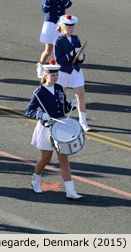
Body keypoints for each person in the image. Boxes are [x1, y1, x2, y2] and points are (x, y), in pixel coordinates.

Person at [25, 60, 83, 199]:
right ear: (45, 75)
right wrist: (41, 115)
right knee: (46, 158)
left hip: (60, 128)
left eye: (57, 74)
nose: (55, 77)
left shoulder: (58, 88)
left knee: (64, 158)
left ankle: (70, 190)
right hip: (46, 128)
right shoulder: (39, 92)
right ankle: (35, 180)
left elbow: (63, 108)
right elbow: (29, 111)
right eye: (52, 75)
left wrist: (72, 106)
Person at [54, 14, 90, 131]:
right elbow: (59, 59)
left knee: (81, 95)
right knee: (61, 95)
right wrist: (70, 54)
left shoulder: (76, 38)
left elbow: (79, 53)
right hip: (64, 72)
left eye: (72, 27)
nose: (71, 29)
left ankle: (83, 122)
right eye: (69, 27)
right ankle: (59, 117)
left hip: (76, 70)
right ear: (63, 27)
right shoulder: (58, 41)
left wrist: (81, 57)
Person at [37, 0, 72, 78]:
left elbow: (68, 4)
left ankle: (59, 70)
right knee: (48, 50)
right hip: (50, 23)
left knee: (60, 49)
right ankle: (41, 65)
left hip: (60, 23)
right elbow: (44, 9)